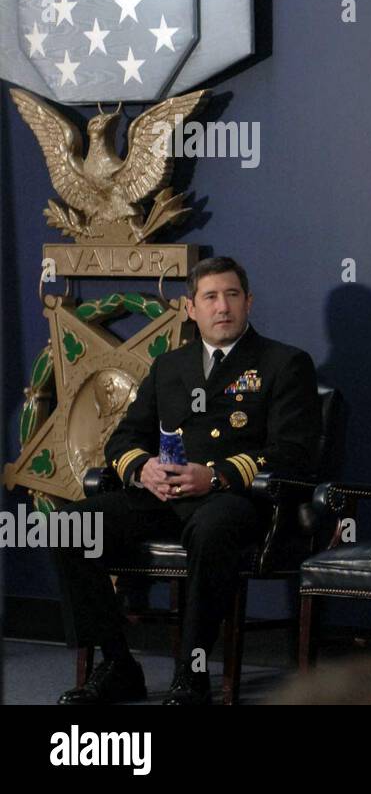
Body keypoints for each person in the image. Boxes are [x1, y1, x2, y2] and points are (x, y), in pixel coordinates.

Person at [52, 256, 321, 705]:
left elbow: (294, 454)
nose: (223, 307)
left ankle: (191, 673)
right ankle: (118, 664)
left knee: (211, 529)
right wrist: (143, 469)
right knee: (69, 527)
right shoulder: (170, 367)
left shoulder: (284, 363)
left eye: (232, 295)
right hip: (164, 497)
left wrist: (214, 476)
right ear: (191, 308)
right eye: (210, 297)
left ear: (249, 302)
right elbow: (124, 439)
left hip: (236, 502)